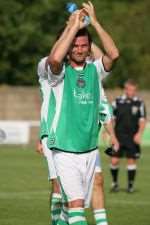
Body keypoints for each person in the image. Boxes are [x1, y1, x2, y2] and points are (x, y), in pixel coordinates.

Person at [38, 2, 119, 225]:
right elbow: (54, 59)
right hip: (64, 149)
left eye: (84, 46)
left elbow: (113, 54)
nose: (79, 49)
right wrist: (73, 26)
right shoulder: (58, 75)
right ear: (68, 48)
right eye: (74, 46)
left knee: (73, 206)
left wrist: (94, 22)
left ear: (89, 48)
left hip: (90, 151)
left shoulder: (95, 71)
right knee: (76, 206)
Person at [110, 79, 146, 193]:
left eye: (133, 90)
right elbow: (111, 119)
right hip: (118, 136)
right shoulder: (117, 102)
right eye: (129, 89)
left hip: (132, 137)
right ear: (125, 89)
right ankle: (115, 183)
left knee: (131, 160)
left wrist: (139, 134)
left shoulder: (139, 103)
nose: (131, 92)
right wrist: (110, 134)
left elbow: (142, 120)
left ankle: (130, 186)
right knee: (114, 160)